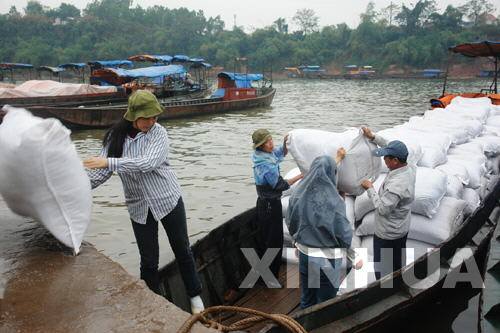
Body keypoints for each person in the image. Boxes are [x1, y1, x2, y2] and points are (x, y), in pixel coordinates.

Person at [84, 90, 204, 314]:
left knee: (183, 251)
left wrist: (108, 162)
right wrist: (75, 186)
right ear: (133, 116)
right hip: (138, 207)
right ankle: (152, 307)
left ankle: (195, 297)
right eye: (147, 117)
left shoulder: (158, 133)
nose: (152, 121)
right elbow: (99, 174)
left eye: (155, 116)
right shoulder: (115, 138)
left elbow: (147, 163)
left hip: (167, 199)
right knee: (148, 261)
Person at [286, 151, 363, 309]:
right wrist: (354, 258)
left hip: (306, 255)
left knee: (307, 297)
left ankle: (301, 325)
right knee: (325, 302)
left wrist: (296, 242)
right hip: (326, 259)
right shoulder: (334, 202)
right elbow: (343, 235)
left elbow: (291, 221)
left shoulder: (297, 194)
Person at [360, 126, 416, 280]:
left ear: (395, 161)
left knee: (383, 271)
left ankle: (385, 293)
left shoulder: (397, 185)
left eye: (386, 158)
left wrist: (370, 189)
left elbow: (383, 209)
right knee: (398, 264)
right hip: (401, 228)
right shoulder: (409, 165)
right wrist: (373, 137)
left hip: (388, 234)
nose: (383, 160)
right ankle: (399, 283)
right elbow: (391, 145)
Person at [252, 129, 303, 285]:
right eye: (268, 142)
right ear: (261, 146)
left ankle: (266, 275)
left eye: (271, 140)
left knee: (269, 240)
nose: (271, 144)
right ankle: (269, 279)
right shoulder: (266, 165)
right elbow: (280, 185)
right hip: (269, 206)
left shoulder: (265, 155)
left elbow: (279, 153)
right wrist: (301, 175)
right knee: (273, 242)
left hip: (265, 203)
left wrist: (286, 144)